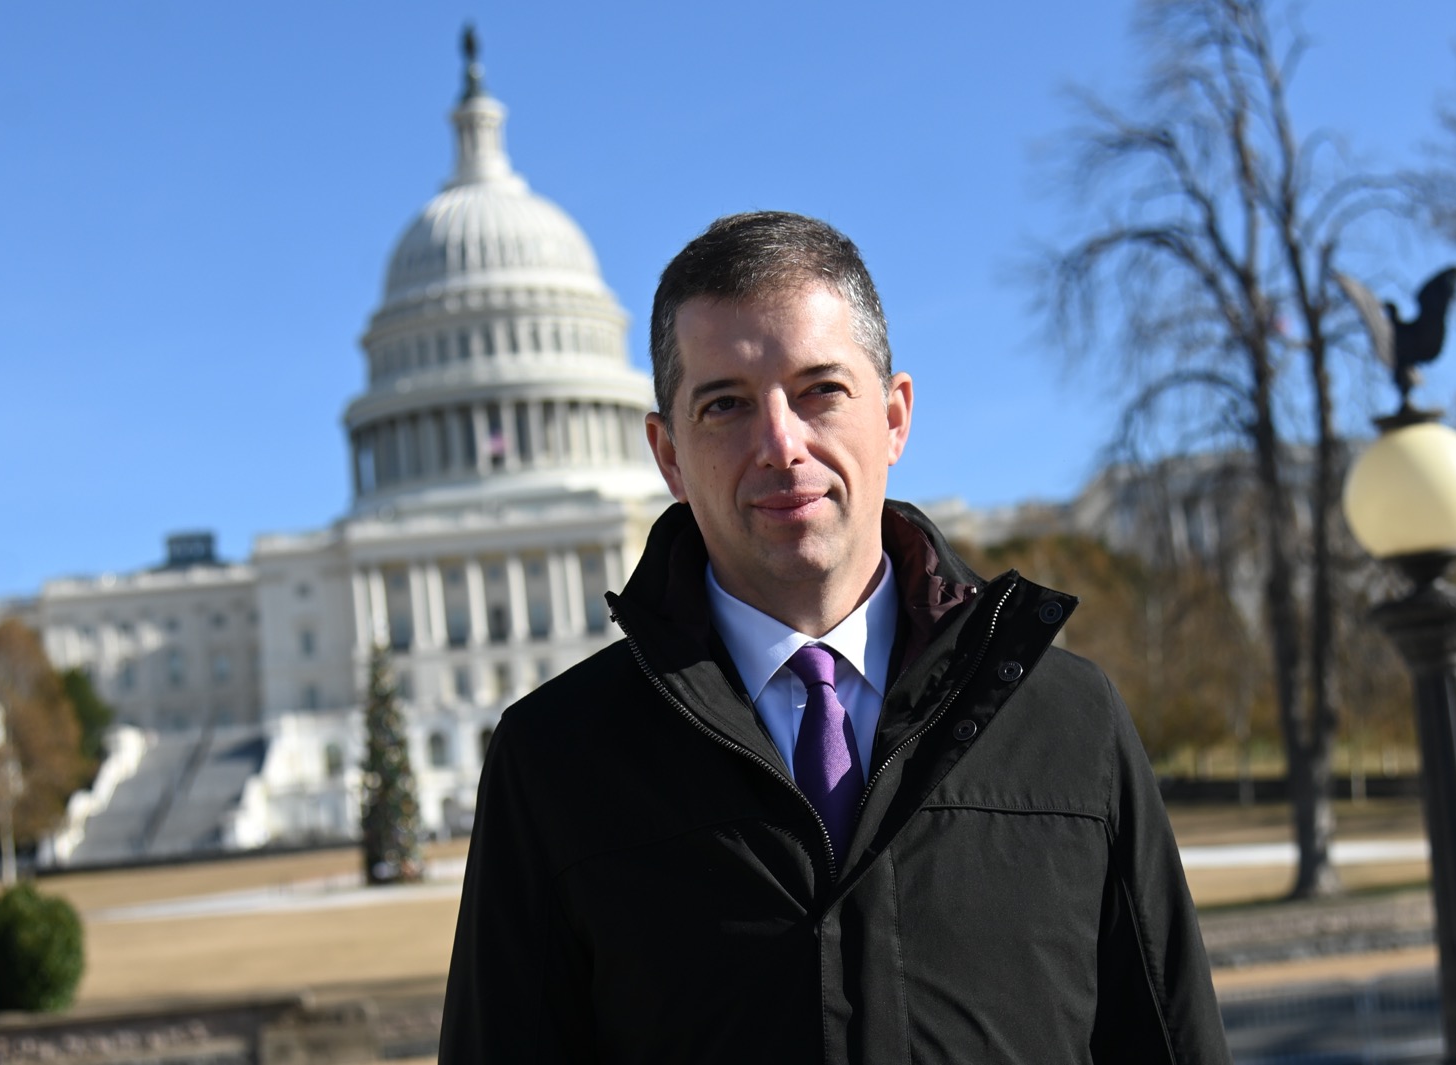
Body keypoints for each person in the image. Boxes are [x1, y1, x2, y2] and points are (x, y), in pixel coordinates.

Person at [438, 211, 1231, 1064]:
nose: (781, 444)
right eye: (725, 404)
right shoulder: (555, 760)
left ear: (894, 416)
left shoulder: (1071, 721)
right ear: (668, 456)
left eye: (820, 389)